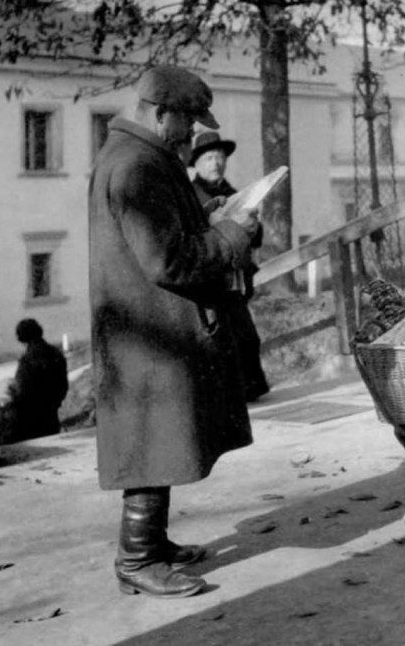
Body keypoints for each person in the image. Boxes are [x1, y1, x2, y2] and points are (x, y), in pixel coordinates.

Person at [88, 65, 259, 599]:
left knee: (157, 436)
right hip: (148, 332)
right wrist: (231, 237)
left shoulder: (139, 157)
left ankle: (151, 543)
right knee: (150, 437)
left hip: (146, 327)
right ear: (161, 113)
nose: (193, 134)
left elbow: (162, 234)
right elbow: (167, 259)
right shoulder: (138, 166)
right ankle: (136, 558)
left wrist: (207, 214)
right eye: (187, 121)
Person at [184, 130, 270, 403]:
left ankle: (248, 392)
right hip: (211, 277)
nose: (216, 163)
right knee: (219, 339)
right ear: (196, 163)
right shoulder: (191, 195)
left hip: (236, 279)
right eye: (209, 158)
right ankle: (227, 397)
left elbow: (253, 237)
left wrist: (254, 228)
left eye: (220, 157)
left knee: (245, 337)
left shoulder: (232, 192)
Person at [7, 318, 68, 441]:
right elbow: (63, 385)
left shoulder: (28, 359)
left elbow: (23, 391)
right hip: (52, 412)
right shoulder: (55, 353)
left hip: (32, 418)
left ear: (22, 338)